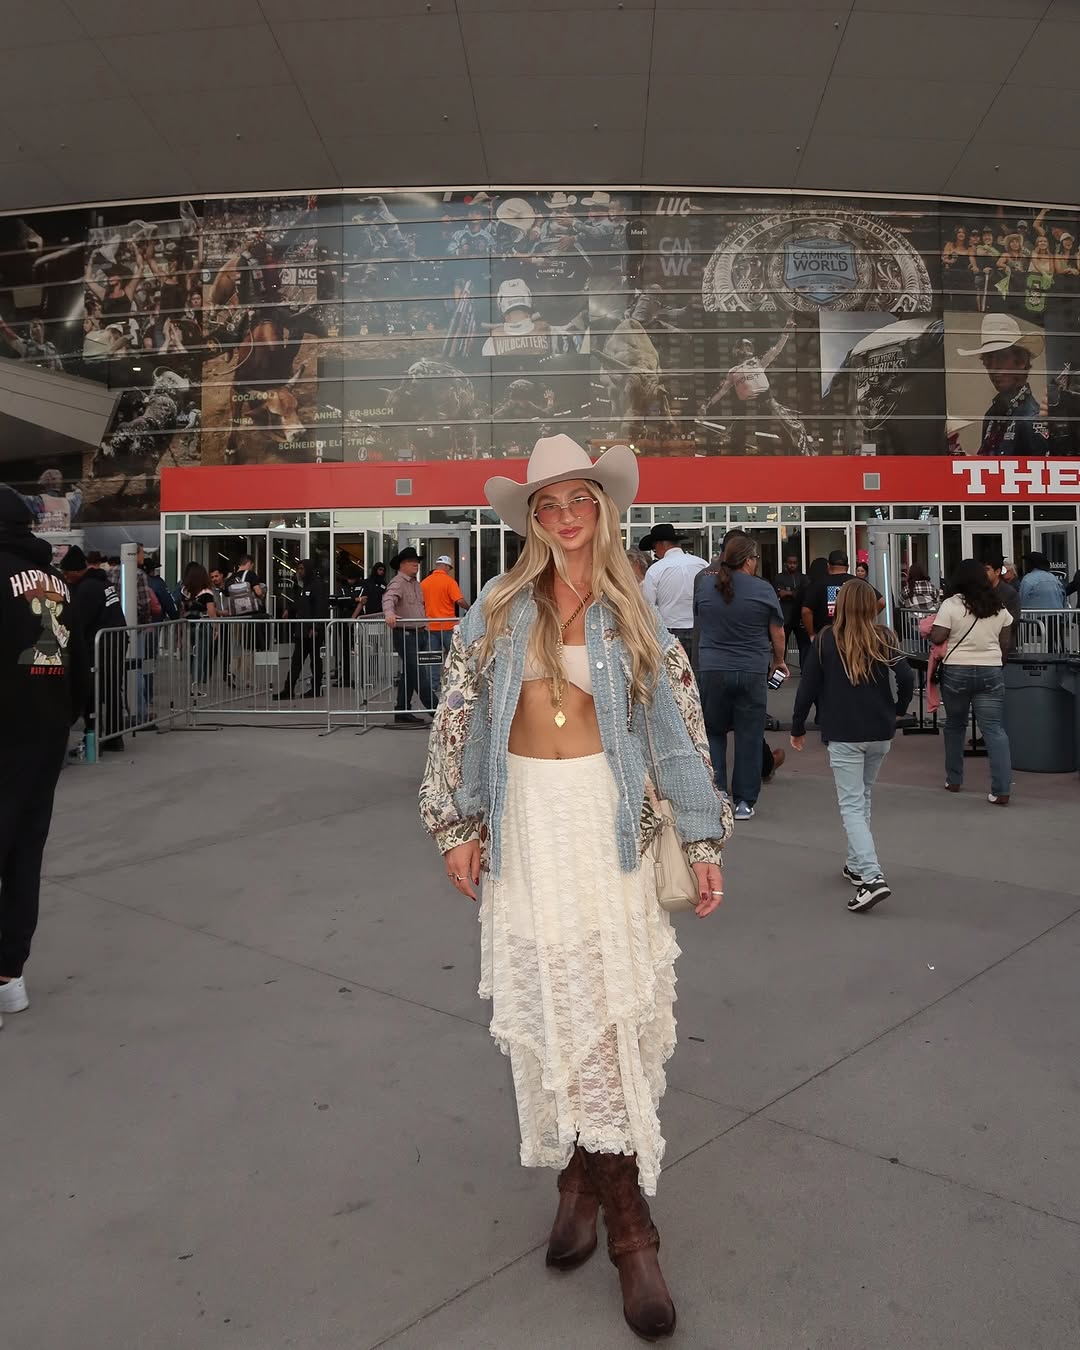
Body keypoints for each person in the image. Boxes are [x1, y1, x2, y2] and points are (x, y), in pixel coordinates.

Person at [419, 434, 730, 1340]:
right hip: (526, 826)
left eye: (577, 500)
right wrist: (459, 824)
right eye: (546, 504)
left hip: (606, 828)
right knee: (558, 1009)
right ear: (531, 518)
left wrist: (703, 836)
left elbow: (675, 732)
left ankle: (628, 1228)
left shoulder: (634, 614)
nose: (562, 517)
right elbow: (461, 723)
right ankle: (581, 1188)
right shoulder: (499, 606)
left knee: (603, 1013)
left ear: (603, 508)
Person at [0, 485, 85, 1024]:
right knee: (25, 851)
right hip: (46, 728)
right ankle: (10, 975)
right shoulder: (55, 580)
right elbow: (74, 655)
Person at [790, 581, 914, 914]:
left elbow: (808, 688)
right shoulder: (884, 637)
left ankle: (872, 877)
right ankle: (856, 863)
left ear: (840, 605)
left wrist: (798, 726)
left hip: (845, 732)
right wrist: (898, 710)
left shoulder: (827, 639)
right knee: (863, 796)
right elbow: (907, 678)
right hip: (879, 730)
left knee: (851, 805)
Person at [694, 532, 787, 822]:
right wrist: (779, 661)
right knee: (749, 734)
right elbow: (778, 632)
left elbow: (701, 620)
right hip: (751, 669)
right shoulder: (762, 589)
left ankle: (718, 792)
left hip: (712, 668)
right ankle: (744, 801)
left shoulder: (705, 586)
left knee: (714, 732)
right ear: (749, 560)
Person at [930, 559, 1014, 805]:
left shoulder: (951, 604)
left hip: (957, 670)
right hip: (991, 670)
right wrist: (996, 662)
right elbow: (1005, 643)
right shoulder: (998, 606)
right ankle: (1001, 790)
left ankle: (954, 779)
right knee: (994, 730)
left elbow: (938, 636)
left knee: (955, 726)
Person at [61, 545, 128, 751]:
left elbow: (79, 621)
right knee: (112, 690)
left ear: (75, 571)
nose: (64, 577)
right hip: (115, 642)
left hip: (99, 647)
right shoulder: (103, 583)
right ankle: (114, 736)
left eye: (65, 573)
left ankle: (93, 735)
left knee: (92, 692)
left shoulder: (87, 588)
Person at [957, 314, 1049, 457]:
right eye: (988, 361)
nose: (993, 369)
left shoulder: (1031, 420)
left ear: (1021, 362)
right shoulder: (991, 415)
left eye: (1000, 359)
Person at [638, 523, 707, 654]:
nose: (655, 553)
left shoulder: (656, 570)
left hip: (669, 631)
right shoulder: (701, 564)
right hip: (701, 630)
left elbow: (648, 607)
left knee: (673, 673)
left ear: (659, 545)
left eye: (654, 549)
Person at [382, 548, 432, 725]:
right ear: (402, 564)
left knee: (410, 674)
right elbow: (389, 598)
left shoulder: (416, 584)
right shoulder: (398, 583)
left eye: (417, 561)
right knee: (419, 675)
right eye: (412, 561)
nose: (416, 564)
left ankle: (402, 710)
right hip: (406, 634)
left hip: (419, 633)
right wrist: (389, 614)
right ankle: (438, 711)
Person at [274, 559, 328, 701]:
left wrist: (316, 627)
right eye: (298, 568)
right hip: (302, 631)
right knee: (296, 661)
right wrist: (289, 609)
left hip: (312, 631)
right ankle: (288, 689)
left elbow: (320, 608)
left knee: (315, 661)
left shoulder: (318, 586)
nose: (300, 571)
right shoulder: (305, 586)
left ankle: (316, 688)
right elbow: (301, 604)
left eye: (302, 568)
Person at [801, 551, 884, 639]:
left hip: (826, 636)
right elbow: (881, 602)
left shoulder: (818, 584)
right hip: (853, 636)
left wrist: (812, 634)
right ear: (847, 567)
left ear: (828, 566)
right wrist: (864, 620)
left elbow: (806, 611)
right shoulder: (858, 582)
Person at [179, 562, 217, 695]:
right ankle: (195, 686)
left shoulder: (185, 591)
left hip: (190, 626)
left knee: (193, 655)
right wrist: (216, 627)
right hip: (204, 626)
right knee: (201, 656)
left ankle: (193, 683)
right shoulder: (206, 592)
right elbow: (211, 612)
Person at [774, 553, 806, 655]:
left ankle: (805, 671)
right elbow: (779, 593)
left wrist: (789, 592)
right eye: (790, 563)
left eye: (794, 563)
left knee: (803, 647)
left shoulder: (803, 578)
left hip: (799, 616)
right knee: (782, 646)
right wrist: (795, 592)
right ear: (785, 563)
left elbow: (805, 593)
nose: (792, 565)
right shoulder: (779, 577)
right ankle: (780, 669)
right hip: (785, 615)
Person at [985, 556, 1021, 626]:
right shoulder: (981, 590)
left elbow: (1013, 620)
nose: (983, 573)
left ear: (997, 571)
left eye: (987, 569)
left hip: (1003, 634)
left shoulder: (1010, 593)